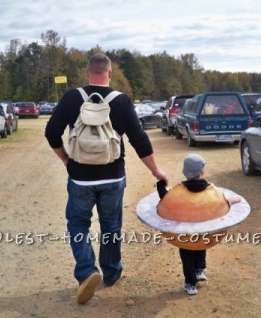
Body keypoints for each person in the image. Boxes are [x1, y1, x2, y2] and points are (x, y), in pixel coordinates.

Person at [45, 53, 168, 304]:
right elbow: (138, 139)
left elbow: (51, 132)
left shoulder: (71, 97)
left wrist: (67, 160)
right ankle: (111, 273)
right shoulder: (121, 101)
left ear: (87, 72)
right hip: (113, 177)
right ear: (109, 74)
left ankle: (87, 271)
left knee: (78, 224)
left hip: (80, 178)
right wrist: (156, 171)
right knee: (111, 226)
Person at [157, 153, 241, 296]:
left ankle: (190, 283)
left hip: (183, 235)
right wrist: (234, 200)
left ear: (185, 172)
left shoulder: (176, 192)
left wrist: (161, 183)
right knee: (202, 243)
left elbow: (164, 198)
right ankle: (200, 269)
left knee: (187, 254)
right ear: (202, 172)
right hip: (203, 231)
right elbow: (223, 203)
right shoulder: (212, 191)